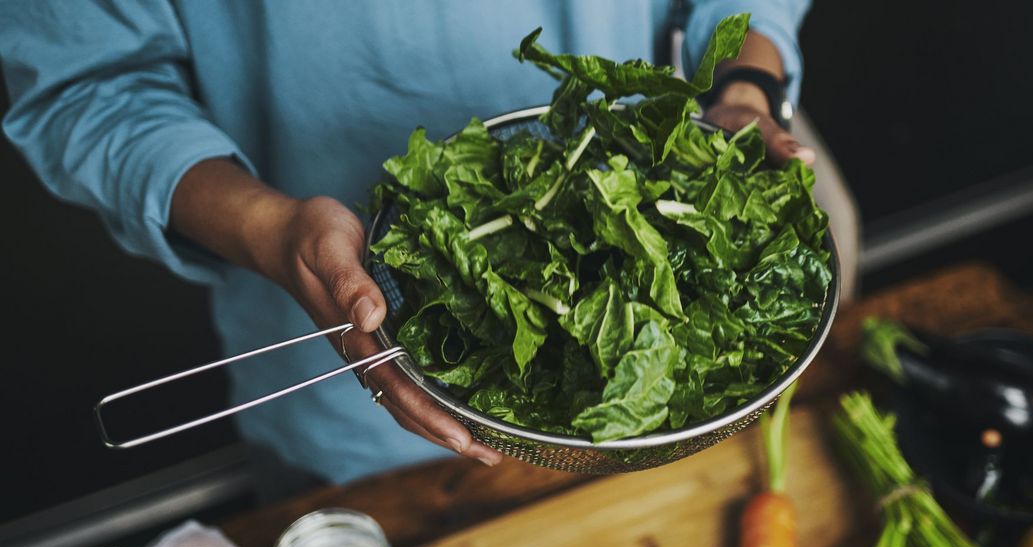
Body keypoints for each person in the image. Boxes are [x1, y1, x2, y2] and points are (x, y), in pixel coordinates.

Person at [2, 1, 851, 483]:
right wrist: (270, 231)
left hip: (648, 292)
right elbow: (86, 85)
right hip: (332, 352)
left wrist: (747, 83)